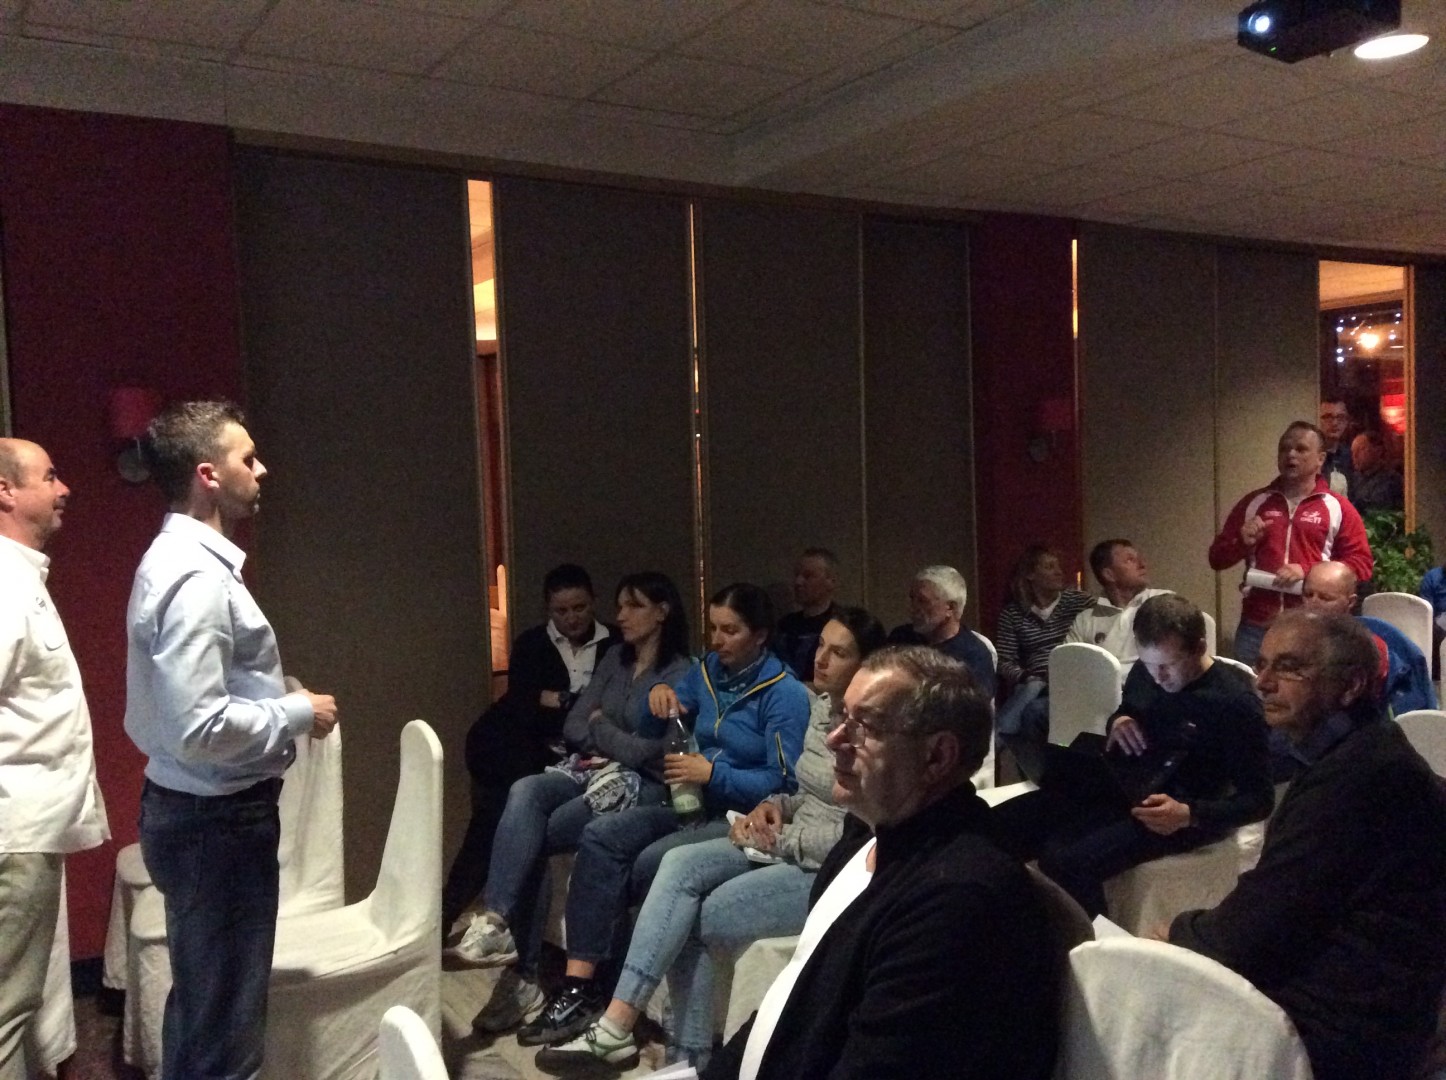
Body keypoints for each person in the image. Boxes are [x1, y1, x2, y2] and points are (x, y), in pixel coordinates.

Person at [536, 607, 887, 1072]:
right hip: (766, 827)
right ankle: (621, 1026)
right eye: (820, 645)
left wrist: (775, 833)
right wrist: (773, 808)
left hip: (827, 867)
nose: (820, 658)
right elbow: (802, 788)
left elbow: (858, 832)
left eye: (838, 653)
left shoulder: (851, 725)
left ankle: (684, 1057)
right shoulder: (821, 706)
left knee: (695, 912)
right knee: (673, 865)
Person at [700, 646, 1059, 1080]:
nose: (834, 740)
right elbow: (798, 1002)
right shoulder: (865, 836)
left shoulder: (959, 895)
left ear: (937, 756)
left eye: (864, 726)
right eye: (841, 716)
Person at [124, 401, 338, 1079]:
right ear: (208, 475)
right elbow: (199, 727)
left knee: (204, 1005)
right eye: (248, 457)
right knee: (226, 1030)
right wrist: (296, 712)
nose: (262, 468)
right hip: (216, 823)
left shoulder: (179, 560)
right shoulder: (196, 578)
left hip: (194, 814)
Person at [499, 583, 810, 1047]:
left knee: (647, 863)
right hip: (685, 800)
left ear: (760, 635)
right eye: (713, 629)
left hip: (737, 814)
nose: (718, 640)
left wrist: (714, 772)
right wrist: (657, 697)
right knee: (602, 836)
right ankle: (580, 987)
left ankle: (614, 994)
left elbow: (785, 783)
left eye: (731, 631)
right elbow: (649, 728)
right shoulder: (707, 672)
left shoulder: (783, 693)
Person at [1167, 611, 1446, 1080]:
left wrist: (1178, 933)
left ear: (1350, 686)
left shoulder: (1358, 779)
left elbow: (1249, 934)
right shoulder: (1366, 749)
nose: (1263, 683)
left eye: (1290, 667)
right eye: (1262, 664)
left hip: (1350, 1030)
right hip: (1355, 994)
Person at [454, 572, 691, 1034]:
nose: (620, 615)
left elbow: (651, 752)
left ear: (662, 612)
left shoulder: (679, 673)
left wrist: (602, 729)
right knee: (525, 791)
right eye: (619, 605)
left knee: (537, 835)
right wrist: (603, 731)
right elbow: (573, 724)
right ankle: (497, 919)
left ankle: (528, 976)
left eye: (633, 606)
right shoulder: (616, 659)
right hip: (588, 767)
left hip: (639, 783)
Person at [992, 593, 1273, 917]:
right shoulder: (1146, 671)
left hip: (1182, 810)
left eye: (1167, 666)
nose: (1158, 677)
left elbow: (1259, 800)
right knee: (1006, 824)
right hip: (1129, 785)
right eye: (1149, 664)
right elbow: (1131, 707)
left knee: (1065, 860)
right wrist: (1119, 720)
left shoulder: (1234, 703)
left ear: (1199, 648)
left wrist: (1189, 813)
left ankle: (1091, 942)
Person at [0, 439, 108, 1080]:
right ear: (6, 491)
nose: (64, 489)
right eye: (49, 476)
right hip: (13, 835)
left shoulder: (21, 579)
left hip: (27, 832)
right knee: (6, 1012)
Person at [443, 565, 620, 934]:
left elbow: (612, 703)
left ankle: (490, 927)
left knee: (512, 823)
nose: (571, 618)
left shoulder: (615, 643)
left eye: (580, 607)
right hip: (508, 747)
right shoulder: (532, 643)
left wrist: (556, 699)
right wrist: (579, 703)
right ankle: (451, 919)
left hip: (568, 756)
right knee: (492, 821)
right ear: (548, 609)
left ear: (593, 602)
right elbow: (523, 703)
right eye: (561, 611)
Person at [1208, 421, 1373, 665]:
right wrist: (1241, 542)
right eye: (1284, 448)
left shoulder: (1338, 507)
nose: (1291, 454)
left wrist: (1309, 571)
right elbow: (1216, 558)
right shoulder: (1255, 503)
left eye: (1301, 449)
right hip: (1258, 626)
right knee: (1253, 689)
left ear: (1320, 459)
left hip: (1314, 626)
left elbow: (1362, 564)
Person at [1300, 561, 1435, 717]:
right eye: (1308, 594)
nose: (1313, 603)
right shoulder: (1292, 637)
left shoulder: (1366, 648)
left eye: (1325, 598)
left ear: (1350, 602)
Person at [994, 545, 1094, 741]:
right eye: (1049, 567)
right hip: (1035, 682)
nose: (1059, 572)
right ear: (1031, 575)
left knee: (1032, 708)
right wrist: (1026, 676)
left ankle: (996, 741)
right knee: (1034, 688)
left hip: (1072, 681)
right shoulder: (1014, 613)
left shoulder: (1079, 602)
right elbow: (1004, 661)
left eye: (1058, 566)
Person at [1066, 538, 1173, 682]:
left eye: (1138, 559)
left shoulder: (1163, 602)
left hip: (1152, 690)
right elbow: (1068, 667)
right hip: (1100, 692)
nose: (1142, 565)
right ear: (1109, 575)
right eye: (1130, 560)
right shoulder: (1085, 620)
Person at [885, 565, 996, 697]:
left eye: (922, 601)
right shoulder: (901, 637)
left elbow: (975, 706)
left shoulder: (974, 655)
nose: (912, 608)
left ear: (950, 608)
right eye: (912, 599)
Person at [772, 547, 839, 684]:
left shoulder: (843, 625)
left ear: (830, 581)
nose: (798, 582)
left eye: (808, 576)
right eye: (797, 575)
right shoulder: (784, 625)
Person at [1348, 430, 1404, 514]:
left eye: (1360, 450)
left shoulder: (1391, 480)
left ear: (1378, 451)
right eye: (1353, 451)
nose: (1355, 456)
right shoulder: (1353, 479)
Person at [1318, 398, 1354, 496]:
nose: (1334, 423)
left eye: (1340, 417)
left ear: (1346, 422)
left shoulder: (1350, 457)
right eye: (1328, 417)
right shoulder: (1311, 456)